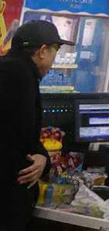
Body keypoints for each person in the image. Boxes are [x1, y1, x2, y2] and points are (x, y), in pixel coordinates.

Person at [0, 20, 74, 230]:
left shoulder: (9, 68)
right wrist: (42, 157)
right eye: (54, 52)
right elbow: (21, 135)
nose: (53, 62)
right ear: (42, 51)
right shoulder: (20, 76)